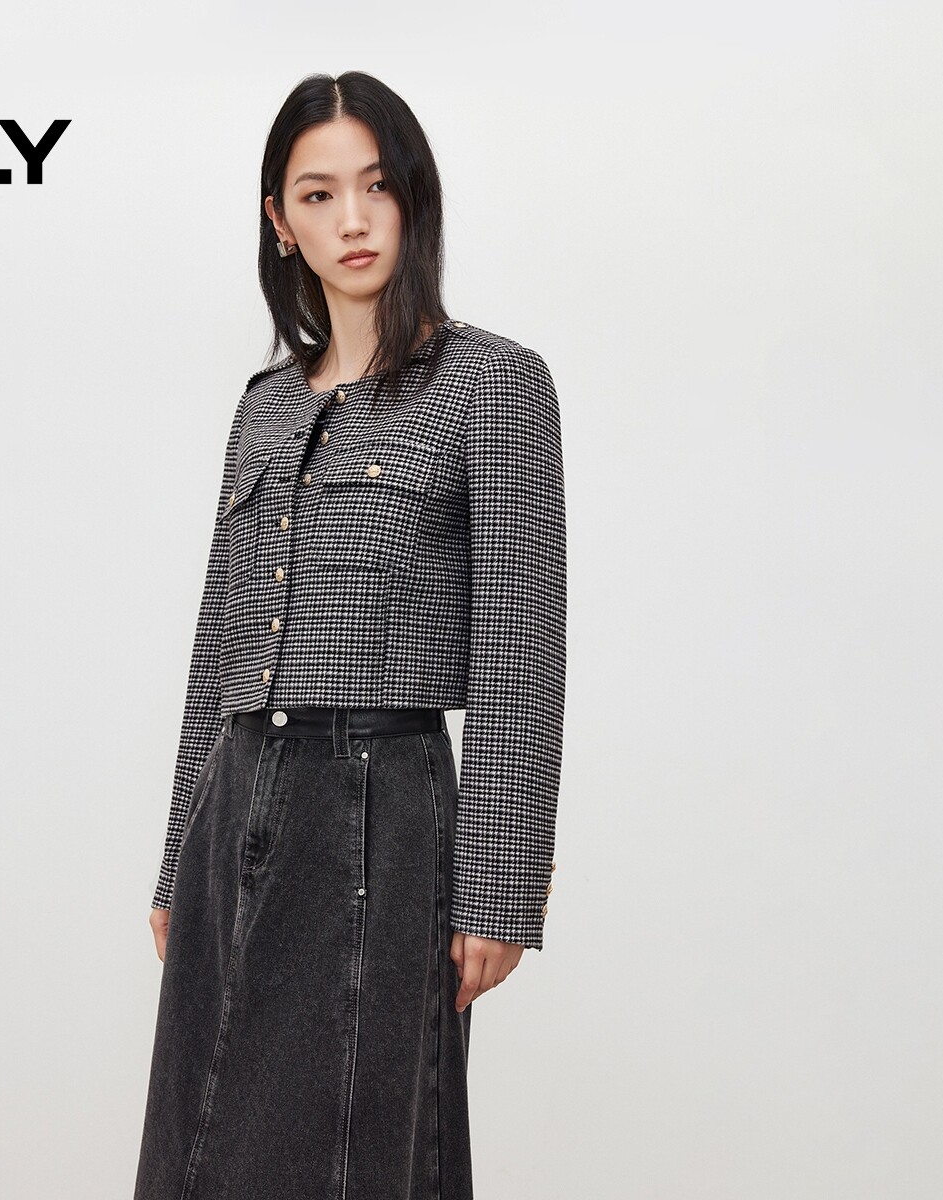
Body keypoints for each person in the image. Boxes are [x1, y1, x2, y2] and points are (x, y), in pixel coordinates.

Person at [133, 70, 567, 1200]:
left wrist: (499, 891)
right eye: (318, 195)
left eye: (377, 187)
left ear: (415, 197)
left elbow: (521, 648)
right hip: (238, 801)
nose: (353, 220)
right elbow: (217, 650)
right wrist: (178, 858)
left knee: (358, 1149)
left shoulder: (493, 383)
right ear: (280, 222)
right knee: (199, 1148)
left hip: (383, 809)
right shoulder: (265, 405)